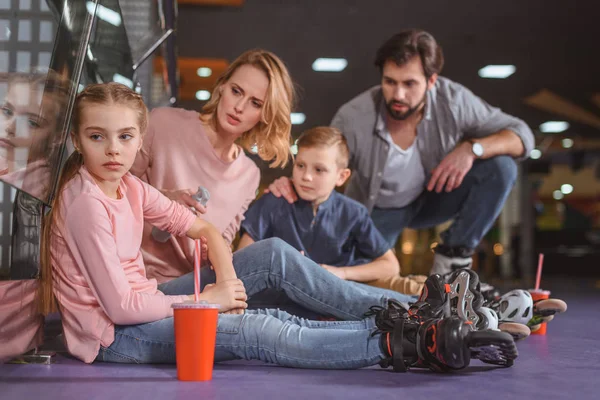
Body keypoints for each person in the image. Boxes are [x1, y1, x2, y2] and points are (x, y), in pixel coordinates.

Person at [39, 82, 516, 372]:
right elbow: (121, 309)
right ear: (78, 140)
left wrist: (225, 281)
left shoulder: (130, 187)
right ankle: (413, 341)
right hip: (114, 339)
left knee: (270, 254)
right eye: (97, 137)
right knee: (261, 329)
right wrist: (210, 302)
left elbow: (203, 229)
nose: (113, 150)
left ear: (139, 138)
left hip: (149, 302)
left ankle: (423, 308)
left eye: (125, 137)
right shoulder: (84, 203)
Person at [266, 29, 535, 277]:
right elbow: (323, 163)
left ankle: (453, 255)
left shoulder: (454, 101)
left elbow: (522, 135)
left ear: (432, 81)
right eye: (390, 82)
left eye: (409, 84)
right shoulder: (353, 117)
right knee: (355, 276)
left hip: (434, 195)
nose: (398, 94)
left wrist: (472, 148)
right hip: (379, 209)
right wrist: (293, 183)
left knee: (501, 168)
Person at [130, 49, 294, 285]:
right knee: (274, 254)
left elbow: (224, 241)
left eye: (255, 103)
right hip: (139, 277)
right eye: (236, 91)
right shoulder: (163, 123)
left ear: (265, 115)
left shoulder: (249, 174)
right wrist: (163, 201)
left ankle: (364, 314)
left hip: (195, 286)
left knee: (278, 311)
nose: (239, 106)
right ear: (221, 87)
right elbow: (112, 192)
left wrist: (215, 252)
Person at [238, 126, 425, 295]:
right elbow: (242, 261)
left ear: (341, 176)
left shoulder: (353, 212)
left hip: (343, 286)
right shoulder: (274, 202)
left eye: (319, 170)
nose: (306, 177)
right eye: (300, 165)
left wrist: (341, 273)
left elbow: (390, 266)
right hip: (288, 292)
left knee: (413, 288)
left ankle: (443, 295)